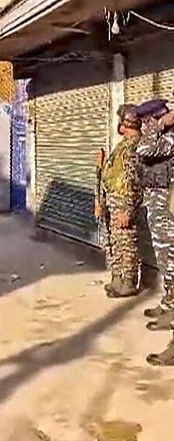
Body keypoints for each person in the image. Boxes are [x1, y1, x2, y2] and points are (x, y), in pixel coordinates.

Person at [134, 98, 174, 366]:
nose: (145, 126)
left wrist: (160, 125)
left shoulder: (168, 138)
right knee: (167, 264)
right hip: (160, 207)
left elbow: (145, 147)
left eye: (147, 120)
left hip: (167, 210)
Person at [96, 104, 143, 299]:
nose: (118, 124)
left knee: (126, 244)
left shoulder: (135, 146)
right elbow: (111, 174)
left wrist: (130, 209)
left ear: (126, 123)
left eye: (120, 120)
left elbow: (136, 180)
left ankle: (128, 282)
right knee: (114, 243)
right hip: (113, 202)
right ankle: (117, 279)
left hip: (124, 203)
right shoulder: (123, 145)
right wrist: (101, 200)